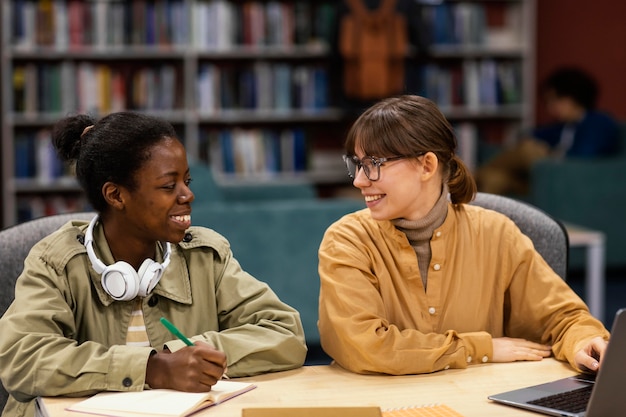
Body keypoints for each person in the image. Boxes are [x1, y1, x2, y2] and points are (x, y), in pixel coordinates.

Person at [0, 112, 307, 417]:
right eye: (167, 186)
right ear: (116, 195)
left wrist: (186, 355)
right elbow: (21, 358)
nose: (188, 195)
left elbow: (285, 333)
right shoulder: (55, 262)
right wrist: (151, 368)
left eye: (186, 181)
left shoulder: (205, 255)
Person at [317, 94, 609, 376]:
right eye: (356, 164)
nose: (359, 180)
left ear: (427, 165)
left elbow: (563, 318)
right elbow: (366, 346)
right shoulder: (347, 239)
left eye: (374, 165)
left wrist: (584, 341)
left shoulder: (497, 233)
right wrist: (479, 348)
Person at [475, 67, 621, 196]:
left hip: (568, 176)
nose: (551, 108)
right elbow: (532, 134)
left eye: (554, 100)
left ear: (570, 98)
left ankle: (467, 177)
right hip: (545, 179)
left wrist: (551, 154)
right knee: (493, 178)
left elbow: (583, 156)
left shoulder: (598, 122)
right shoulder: (563, 127)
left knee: (528, 149)